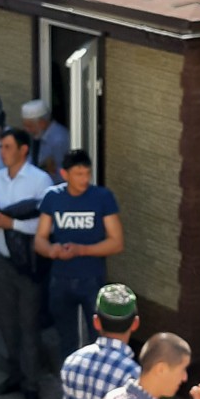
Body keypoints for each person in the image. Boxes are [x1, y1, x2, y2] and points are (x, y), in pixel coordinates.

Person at [0, 128, 52, 399]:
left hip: (28, 264)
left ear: (24, 150)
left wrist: (11, 224)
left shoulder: (40, 180)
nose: (2, 152)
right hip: (1, 259)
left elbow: (46, 224)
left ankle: (32, 386)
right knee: (7, 323)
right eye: (1, 147)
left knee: (28, 325)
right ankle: (15, 375)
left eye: (8, 147)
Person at [33, 151, 122, 366]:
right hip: (60, 279)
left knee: (100, 340)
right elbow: (40, 240)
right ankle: (70, 380)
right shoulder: (53, 197)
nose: (84, 179)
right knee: (66, 341)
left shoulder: (102, 197)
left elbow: (117, 242)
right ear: (64, 174)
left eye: (87, 173)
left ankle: (98, 380)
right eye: (78, 174)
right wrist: (52, 250)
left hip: (92, 279)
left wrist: (82, 250)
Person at [22, 98, 69, 177]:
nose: (27, 130)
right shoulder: (37, 135)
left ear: (42, 123)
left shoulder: (58, 140)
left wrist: (52, 169)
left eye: (29, 126)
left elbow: (64, 174)